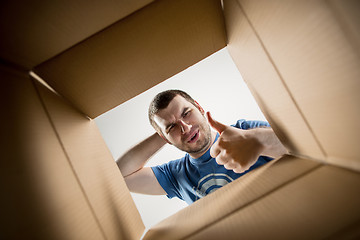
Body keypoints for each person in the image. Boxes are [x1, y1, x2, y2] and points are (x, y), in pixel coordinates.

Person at [117, 90, 288, 204]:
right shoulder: (176, 175)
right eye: (172, 127)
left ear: (199, 107)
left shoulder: (244, 131)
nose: (185, 127)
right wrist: (164, 132)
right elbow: (119, 177)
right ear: (164, 137)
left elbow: (302, 143)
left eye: (186, 113)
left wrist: (257, 140)